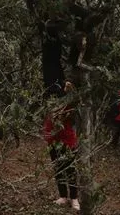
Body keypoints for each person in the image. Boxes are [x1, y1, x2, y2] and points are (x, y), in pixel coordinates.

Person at [42, 81, 80, 211]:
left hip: (67, 141)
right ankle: (63, 196)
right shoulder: (49, 107)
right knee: (58, 169)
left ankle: (74, 198)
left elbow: (76, 98)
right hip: (53, 142)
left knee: (70, 170)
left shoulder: (67, 106)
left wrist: (71, 87)